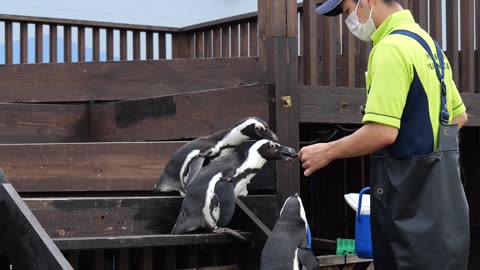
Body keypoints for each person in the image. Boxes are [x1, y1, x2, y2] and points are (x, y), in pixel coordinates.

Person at [298, 0, 470, 269]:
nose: (348, 22)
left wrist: (326, 151)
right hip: (446, 213)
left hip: (410, 216)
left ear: (367, 1)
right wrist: (429, 155)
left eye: (346, 12)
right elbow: (459, 117)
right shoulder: (428, 45)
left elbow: (382, 132)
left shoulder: (390, 48)